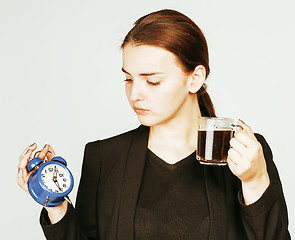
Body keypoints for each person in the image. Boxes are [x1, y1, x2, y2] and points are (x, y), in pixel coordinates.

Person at [17, 9, 290, 240]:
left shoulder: (245, 155)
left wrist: (254, 181)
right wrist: (54, 201)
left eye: (153, 80)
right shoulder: (103, 157)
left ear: (195, 78)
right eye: (128, 79)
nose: (135, 94)